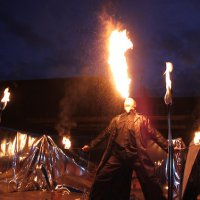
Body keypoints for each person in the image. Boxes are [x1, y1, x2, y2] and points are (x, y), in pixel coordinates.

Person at [82, 98, 168, 200]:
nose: (127, 102)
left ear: (134, 105)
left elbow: (155, 134)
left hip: (136, 155)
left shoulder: (142, 119)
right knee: (101, 176)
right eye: (125, 102)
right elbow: (104, 133)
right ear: (123, 106)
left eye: (129, 101)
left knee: (149, 180)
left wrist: (169, 147)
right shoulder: (116, 119)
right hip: (118, 155)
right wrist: (91, 145)